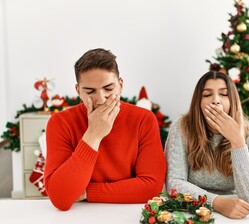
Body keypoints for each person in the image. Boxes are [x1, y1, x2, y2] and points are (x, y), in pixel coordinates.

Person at [44, 48, 166, 211]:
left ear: (120, 85)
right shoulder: (60, 122)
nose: (101, 99)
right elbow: (60, 198)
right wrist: (93, 135)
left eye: (108, 89)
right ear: (78, 90)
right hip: (77, 220)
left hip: (129, 216)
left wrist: (88, 192)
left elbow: (151, 187)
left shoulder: (143, 119)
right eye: (90, 91)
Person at [165, 71, 249, 219]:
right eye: (207, 95)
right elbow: (174, 183)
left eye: (224, 94)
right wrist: (217, 203)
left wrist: (238, 142)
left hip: (235, 214)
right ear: (198, 103)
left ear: (233, 100)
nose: (215, 101)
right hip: (191, 211)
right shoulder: (181, 128)